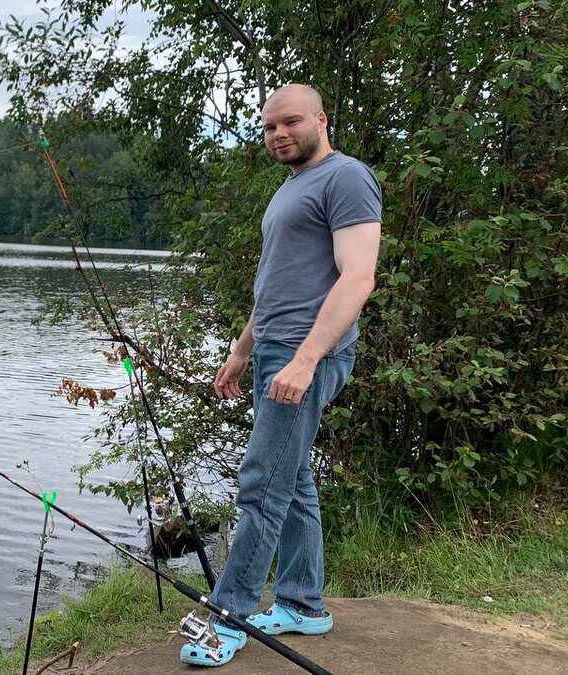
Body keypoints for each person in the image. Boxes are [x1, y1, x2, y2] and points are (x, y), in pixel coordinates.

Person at [180, 83, 382, 667]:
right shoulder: (293, 186)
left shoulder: (346, 178)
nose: (279, 135)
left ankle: (228, 618)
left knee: (262, 483)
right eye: (269, 127)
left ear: (320, 119)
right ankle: (302, 603)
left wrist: (305, 358)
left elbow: (358, 278)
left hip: (304, 354)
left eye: (290, 122)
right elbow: (278, 283)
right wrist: (243, 349)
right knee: (292, 481)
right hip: (275, 349)